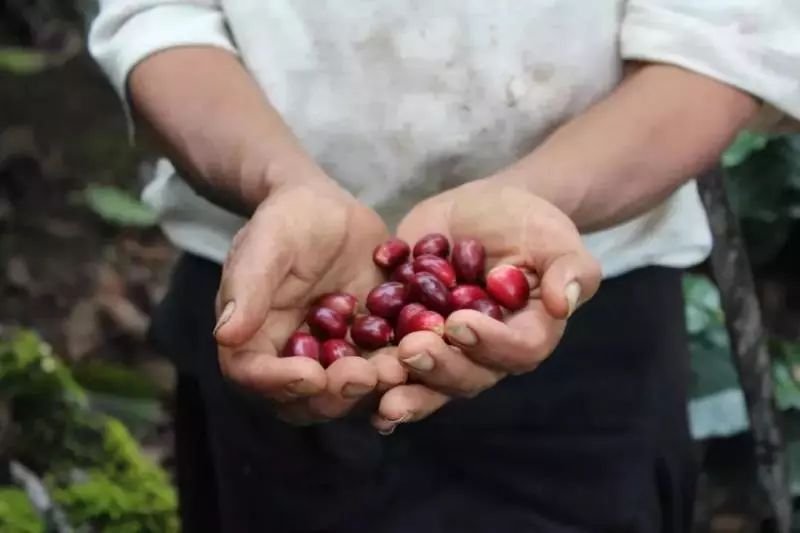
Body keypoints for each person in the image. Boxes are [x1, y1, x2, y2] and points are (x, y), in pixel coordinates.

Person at [88, 2, 800, 532]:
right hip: (270, 286)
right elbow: (159, 20)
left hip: (592, 311)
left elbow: (723, 41)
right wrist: (276, 180)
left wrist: (538, 197)